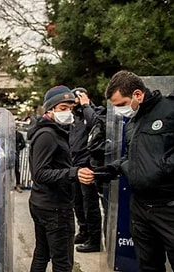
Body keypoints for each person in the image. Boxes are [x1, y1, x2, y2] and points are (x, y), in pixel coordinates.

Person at [95, 70, 174, 271]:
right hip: (140, 208)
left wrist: (162, 168)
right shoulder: (133, 123)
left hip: (169, 208)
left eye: (121, 104)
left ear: (138, 94)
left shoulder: (170, 110)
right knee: (148, 265)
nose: (120, 110)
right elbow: (131, 156)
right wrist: (110, 169)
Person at [27, 85, 94, 272]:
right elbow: (39, 173)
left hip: (46, 203)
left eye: (71, 108)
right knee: (62, 262)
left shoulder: (55, 131)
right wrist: (73, 173)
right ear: (50, 109)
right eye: (63, 108)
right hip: (54, 208)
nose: (68, 112)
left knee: (42, 253)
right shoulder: (48, 135)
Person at [69, 87, 103, 252]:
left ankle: (95, 239)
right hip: (74, 164)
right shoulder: (73, 117)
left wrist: (86, 105)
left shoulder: (94, 112)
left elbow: (95, 125)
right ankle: (83, 230)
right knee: (77, 202)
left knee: (90, 204)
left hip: (88, 164)